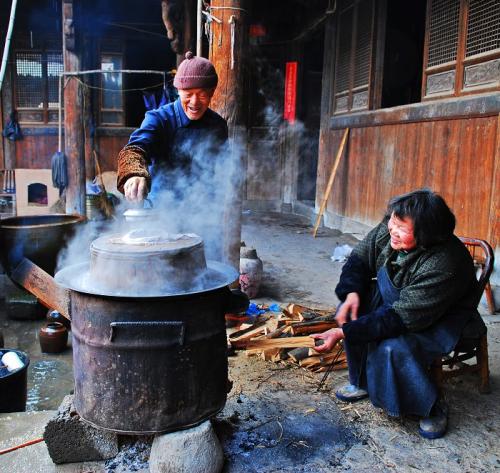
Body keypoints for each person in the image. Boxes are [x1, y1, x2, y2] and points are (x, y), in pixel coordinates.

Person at [312, 189, 481, 439]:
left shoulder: (444, 263)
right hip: (398, 303)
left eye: (401, 227)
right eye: (393, 221)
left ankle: (431, 407)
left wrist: (341, 332)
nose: (392, 228)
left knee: (394, 347)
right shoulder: (390, 228)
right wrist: (351, 293)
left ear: (425, 234)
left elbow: (401, 318)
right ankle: (362, 382)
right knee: (351, 313)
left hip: (439, 317)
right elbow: (359, 259)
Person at [117, 51, 228, 202]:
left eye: (202, 94)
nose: (194, 102)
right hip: (162, 209)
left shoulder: (218, 125)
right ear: (178, 91)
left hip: (203, 210)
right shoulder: (158, 119)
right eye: (188, 93)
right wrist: (133, 173)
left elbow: (221, 169)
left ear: (212, 93)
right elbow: (134, 150)